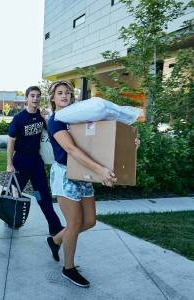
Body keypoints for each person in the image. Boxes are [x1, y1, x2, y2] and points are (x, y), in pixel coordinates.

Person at [47, 80, 117, 288]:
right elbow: (71, 149)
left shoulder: (78, 119)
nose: (64, 96)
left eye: (68, 93)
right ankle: (68, 268)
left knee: (90, 221)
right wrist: (100, 171)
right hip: (65, 175)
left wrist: (125, 142)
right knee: (75, 223)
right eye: (59, 93)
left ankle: (56, 240)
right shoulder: (56, 121)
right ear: (52, 98)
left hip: (83, 173)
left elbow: (98, 141)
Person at [6, 86, 64, 236]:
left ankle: (55, 227)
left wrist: (46, 118)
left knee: (41, 195)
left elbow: (52, 131)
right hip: (20, 162)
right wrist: (9, 164)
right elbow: (11, 142)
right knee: (14, 194)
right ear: (26, 98)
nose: (35, 98)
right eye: (32, 96)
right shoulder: (18, 119)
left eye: (38, 96)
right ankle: (9, 218)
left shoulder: (41, 117)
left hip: (36, 163)